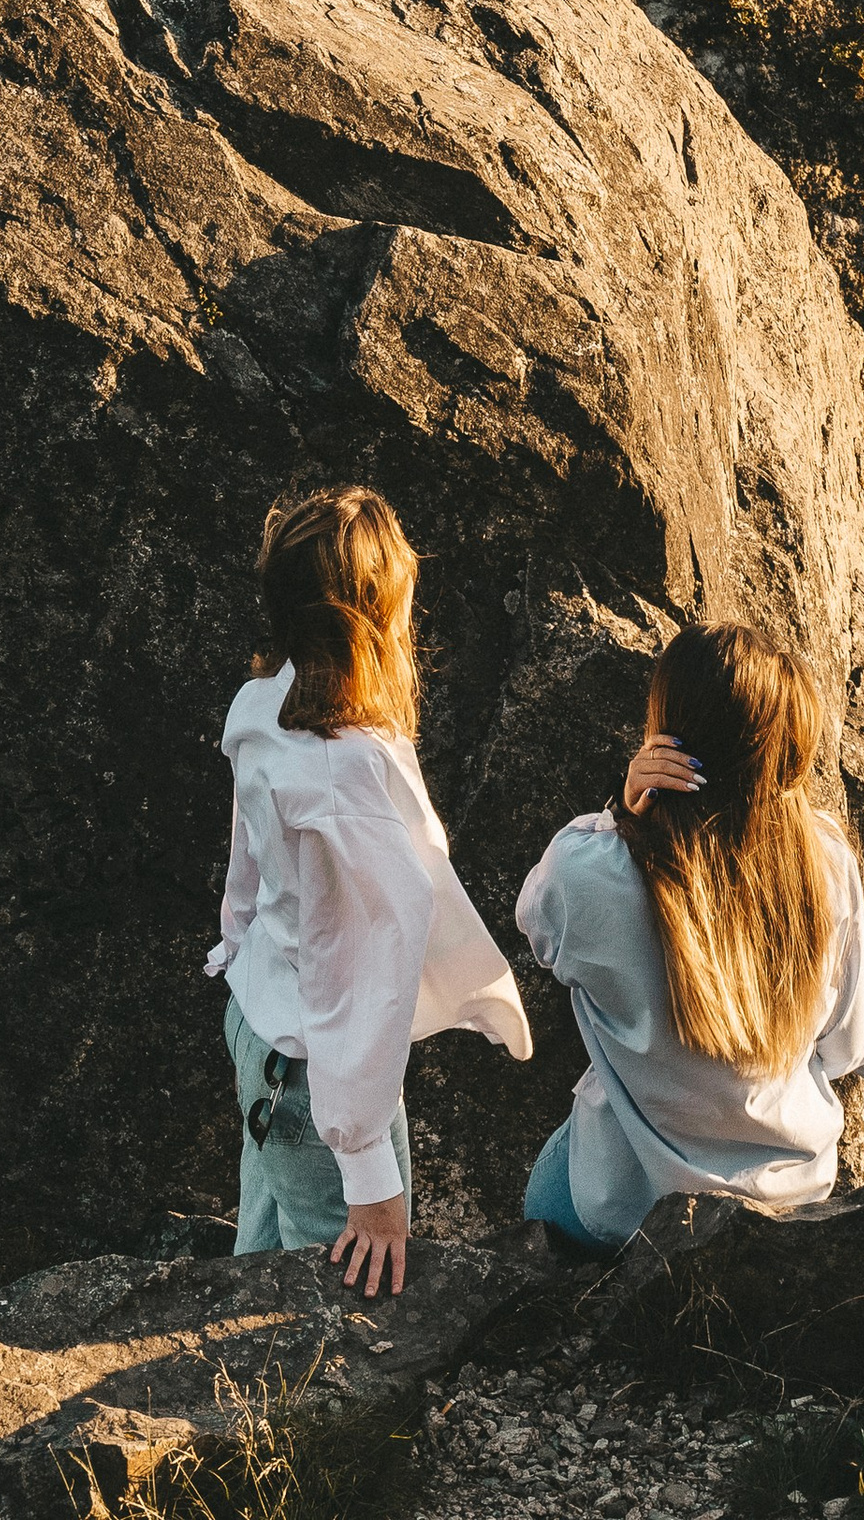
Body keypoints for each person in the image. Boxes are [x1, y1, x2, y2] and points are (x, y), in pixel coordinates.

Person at [207, 484, 531, 1294]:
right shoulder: (347, 771)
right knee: (337, 1296)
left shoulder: (263, 704)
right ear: (376, 618)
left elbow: (248, 858)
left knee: (263, 1251)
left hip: (260, 1022)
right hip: (316, 1072)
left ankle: (233, 1403)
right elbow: (357, 971)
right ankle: (292, 1415)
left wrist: (237, 944)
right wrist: (371, 1179)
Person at [514, 621, 864, 1250]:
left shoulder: (593, 872)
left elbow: (538, 926)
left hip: (629, 1209)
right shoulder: (826, 862)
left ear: (668, 734)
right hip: (787, 1194)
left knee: (543, 1192)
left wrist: (620, 811)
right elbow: (848, 1044)